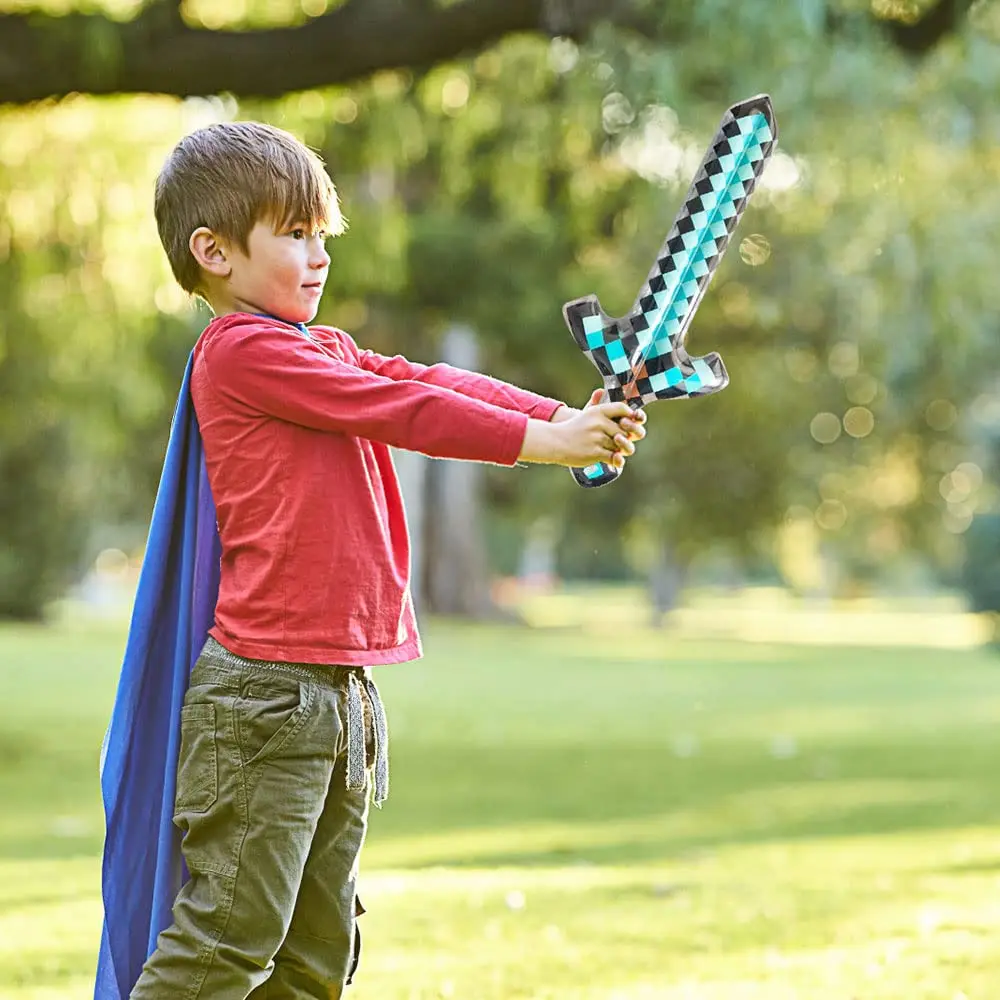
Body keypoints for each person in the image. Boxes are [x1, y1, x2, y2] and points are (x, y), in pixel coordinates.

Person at [129, 120, 646, 999]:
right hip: (263, 697)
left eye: (321, 233)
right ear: (212, 252)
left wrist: (564, 416)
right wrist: (542, 444)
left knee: (317, 955)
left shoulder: (316, 346)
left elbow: (428, 381)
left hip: (334, 694)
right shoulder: (244, 352)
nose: (319, 254)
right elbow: (396, 411)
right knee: (230, 939)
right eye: (293, 233)